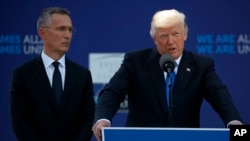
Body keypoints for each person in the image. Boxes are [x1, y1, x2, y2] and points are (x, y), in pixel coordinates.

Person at [92, 9, 243, 141]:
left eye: (176, 34)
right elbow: (112, 92)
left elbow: (220, 95)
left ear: (185, 35)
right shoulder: (135, 61)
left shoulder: (201, 65)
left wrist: (234, 122)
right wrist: (102, 119)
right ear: (154, 39)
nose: (171, 41)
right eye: (164, 36)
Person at [10, 7, 95, 141]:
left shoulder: (82, 75)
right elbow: (20, 121)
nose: (67, 35)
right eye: (61, 29)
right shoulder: (23, 74)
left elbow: (88, 119)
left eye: (70, 30)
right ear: (42, 33)